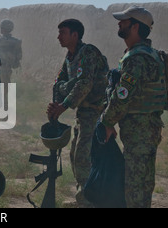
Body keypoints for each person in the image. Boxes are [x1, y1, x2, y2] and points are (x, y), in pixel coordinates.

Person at [101, 6, 166, 208]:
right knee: (142, 185)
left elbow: (123, 96)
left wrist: (107, 121)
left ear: (135, 27)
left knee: (136, 189)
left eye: (124, 21)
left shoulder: (137, 59)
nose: (119, 24)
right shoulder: (147, 54)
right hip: (145, 130)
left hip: (140, 132)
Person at [47, 19, 109, 207]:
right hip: (84, 113)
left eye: (63, 32)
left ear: (75, 35)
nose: (58, 36)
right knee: (75, 154)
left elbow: (84, 83)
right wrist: (55, 105)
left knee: (83, 156)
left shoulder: (87, 52)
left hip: (96, 112)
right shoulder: (70, 56)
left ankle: (89, 201)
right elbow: (59, 82)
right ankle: (84, 197)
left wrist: (63, 106)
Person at [0, 19, 21, 106]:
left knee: (3, 88)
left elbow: (18, 56)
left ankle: (3, 106)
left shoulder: (12, 41)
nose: (1, 29)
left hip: (4, 68)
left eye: (3, 28)